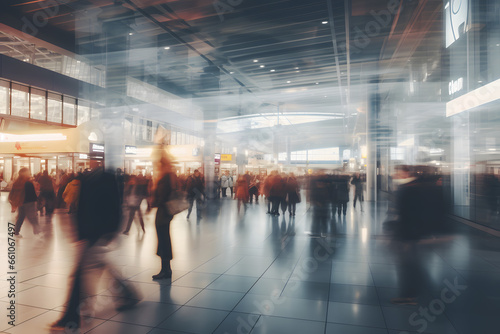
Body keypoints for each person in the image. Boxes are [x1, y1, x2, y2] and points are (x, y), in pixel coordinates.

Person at [50, 168, 141, 331]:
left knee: (79, 273)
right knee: (100, 264)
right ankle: (128, 295)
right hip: (94, 232)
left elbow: (114, 205)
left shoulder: (106, 177)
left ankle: (71, 317)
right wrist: (79, 232)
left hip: (98, 232)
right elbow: (83, 207)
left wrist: (110, 229)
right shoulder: (88, 178)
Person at [151, 153, 177, 279]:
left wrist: (154, 200)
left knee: (163, 240)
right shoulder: (169, 176)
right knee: (164, 239)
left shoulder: (166, 178)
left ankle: (165, 270)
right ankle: (166, 269)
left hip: (163, 213)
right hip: (165, 212)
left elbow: (162, 196)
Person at [9, 168, 40, 237]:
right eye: (28, 172)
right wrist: (36, 200)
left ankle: (16, 231)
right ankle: (37, 232)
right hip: (29, 202)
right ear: (26, 174)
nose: (30, 173)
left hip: (20, 202)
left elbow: (12, 193)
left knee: (20, 217)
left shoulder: (16, 183)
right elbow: (32, 194)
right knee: (33, 217)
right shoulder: (28, 183)